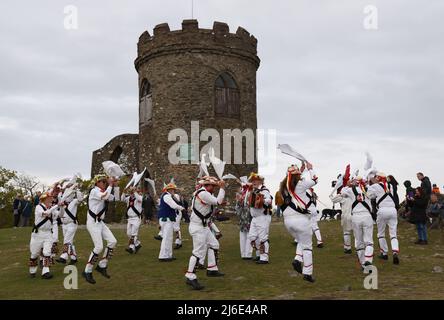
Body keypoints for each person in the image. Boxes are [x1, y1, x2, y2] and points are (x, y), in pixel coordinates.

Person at [185, 176, 225, 290]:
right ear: (207, 185)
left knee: (214, 244)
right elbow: (218, 201)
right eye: (213, 186)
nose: (214, 188)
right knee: (198, 252)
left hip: (203, 227)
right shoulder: (203, 193)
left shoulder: (205, 193)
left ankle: (212, 269)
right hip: (197, 227)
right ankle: (190, 275)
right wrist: (222, 188)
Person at [281, 163, 317, 283]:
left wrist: (301, 170)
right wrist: (310, 169)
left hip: (288, 222)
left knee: (301, 241)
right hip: (301, 219)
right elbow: (315, 179)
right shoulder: (301, 185)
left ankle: (297, 259)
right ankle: (307, 273)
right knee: (307, 247)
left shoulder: (283, 188)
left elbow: (290, 179)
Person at [83, 174, 119, 284]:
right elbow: (105, 196)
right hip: (93, 222)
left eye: (105, 182)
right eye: (103, 181)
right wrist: (111, 184)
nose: (104, 183)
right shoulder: (94, 191)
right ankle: (87, 271)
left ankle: (102, 266)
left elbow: (116, 198)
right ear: (97, 183)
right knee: (98, 247)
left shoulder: (104, 191)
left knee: (113, 241)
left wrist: (116, 186)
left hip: (100, 223)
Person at [341, 177, 374, 270]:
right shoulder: (369, 189)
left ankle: (364, 265)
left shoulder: (350, 190)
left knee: (359, 242)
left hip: (355, 217)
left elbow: (342, 192)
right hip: (367, 217)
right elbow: (374, 195)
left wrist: (348, 184)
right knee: (369, 241)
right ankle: (368, 259)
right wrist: (367, 184)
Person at [367, 173, 400, 265]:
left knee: (381, 233)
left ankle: (384, 253)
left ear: (378, 178)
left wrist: (370, 187)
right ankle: (395, 252)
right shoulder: (391, 186)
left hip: (382, 210)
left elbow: (370, 196)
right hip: (392, 210)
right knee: (393, 234)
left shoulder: (375, 186)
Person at [28, 192, 60, 279]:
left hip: (48, 233)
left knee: (47, 252)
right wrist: (56, 206)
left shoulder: (52, 208)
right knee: (34, 254)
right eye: (49, 198)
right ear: (44, 199)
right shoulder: (38, 207)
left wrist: (63, 207)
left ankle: (45, 272)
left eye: (51, 198)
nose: (51, 199)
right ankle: (32, 271)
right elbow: (45, 213)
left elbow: (61, 215)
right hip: (38, 234)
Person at [246, 173, 273, 264]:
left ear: (260, 181)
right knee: (252, 237)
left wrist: (262, 200)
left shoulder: (264, 190)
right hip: (254, 217)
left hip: (263, 216)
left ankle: (264, 258)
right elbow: (248, 202)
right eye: (252, 180)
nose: (253, 182)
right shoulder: (252, 191)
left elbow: (269, 200)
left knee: (263, 238)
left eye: (255, 180)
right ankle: (259, 254)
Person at [157, 183, 184, 261]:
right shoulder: (166, 196)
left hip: (168, 218)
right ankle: (163, 256)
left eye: (174, 189)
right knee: (166, 237)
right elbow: (173, 205)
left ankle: (168, 255)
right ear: (169, 190)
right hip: (166, 219)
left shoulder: (168, 196)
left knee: (169, 237)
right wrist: (182, 208)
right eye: (172, 189)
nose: (174, 190)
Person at [56, 189, 83, 264]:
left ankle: (64, 257)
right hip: (64, 225)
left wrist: (77, 189)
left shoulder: (74, 202)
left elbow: (80, 199)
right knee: (69, 242)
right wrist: (61, 190)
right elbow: (61, 215)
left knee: (67, 240)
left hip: (72, 224)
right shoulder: (62, 202)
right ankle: (73, 258)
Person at [331, 180, 354, 254]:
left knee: (346, 233)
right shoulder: (357, 193)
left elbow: (333, 200)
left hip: (346, 215)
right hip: (356, 215)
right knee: (358, 234)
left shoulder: (343, 197)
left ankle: (348, 248)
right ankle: (359, 249)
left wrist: (339, 194)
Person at [121, 186, 144, 254]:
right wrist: (123, 192)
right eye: (130, 192)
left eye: (132, 192)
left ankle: (131, 248)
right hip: (130, 218)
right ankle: (137, 244)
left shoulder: (139, 198)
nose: (131, 193)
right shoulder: (128, 198)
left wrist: (135, 191)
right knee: (129, 234)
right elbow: (122, 199)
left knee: (133, 234)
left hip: (136, 218)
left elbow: (140, 199)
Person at [235, 184, 253, 259]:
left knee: (247, 236)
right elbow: (237, 211)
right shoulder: (242, 197)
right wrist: (239, 202)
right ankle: (246, 254)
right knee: (245, 236)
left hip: (246, 219)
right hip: (245, 219)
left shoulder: (248, 196)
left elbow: (238, 210)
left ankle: (246, 254)